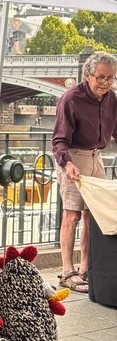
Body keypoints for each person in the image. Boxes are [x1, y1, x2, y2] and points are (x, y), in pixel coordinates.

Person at [51, 51, 117, 293]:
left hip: (95, 157)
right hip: (73, 156)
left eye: (111, 78)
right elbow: (58, 141)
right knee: (72, 215)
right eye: (101, 78)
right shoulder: (71, 99)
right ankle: (67, 272)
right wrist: (67, 164)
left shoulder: (112, 99)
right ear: (87, 75)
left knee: (95, 215)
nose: (106, 83)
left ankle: (86, 268)